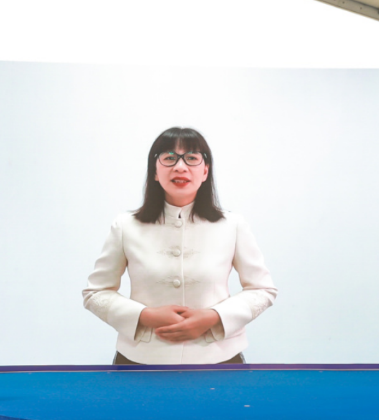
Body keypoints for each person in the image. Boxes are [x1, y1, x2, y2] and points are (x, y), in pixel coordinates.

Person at [82, 127, 277, 365]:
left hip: (218, 358)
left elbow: (262, 289)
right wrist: (145, 316)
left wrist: (213, 317)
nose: (180, 167)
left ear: (205, 171)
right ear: (155, 171)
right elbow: (95, 293)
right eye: (169, 158)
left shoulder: (233, 225)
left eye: (192, 158)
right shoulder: (125, 226)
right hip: (140, 360)